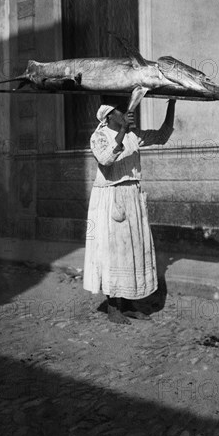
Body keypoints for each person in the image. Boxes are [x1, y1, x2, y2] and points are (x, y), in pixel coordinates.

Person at [83, 97, 176, 324]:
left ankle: (130, 305)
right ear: (108, 117)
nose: (127, 112)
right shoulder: (99, 137)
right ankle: (114, 308)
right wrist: (123, 131)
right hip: (110, 197)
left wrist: (172, 104)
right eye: (121, 110)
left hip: (132, 196)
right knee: (113, 254)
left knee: (132, 252)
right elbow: (105, 161)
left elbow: (162, 136)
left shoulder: (135, 136)